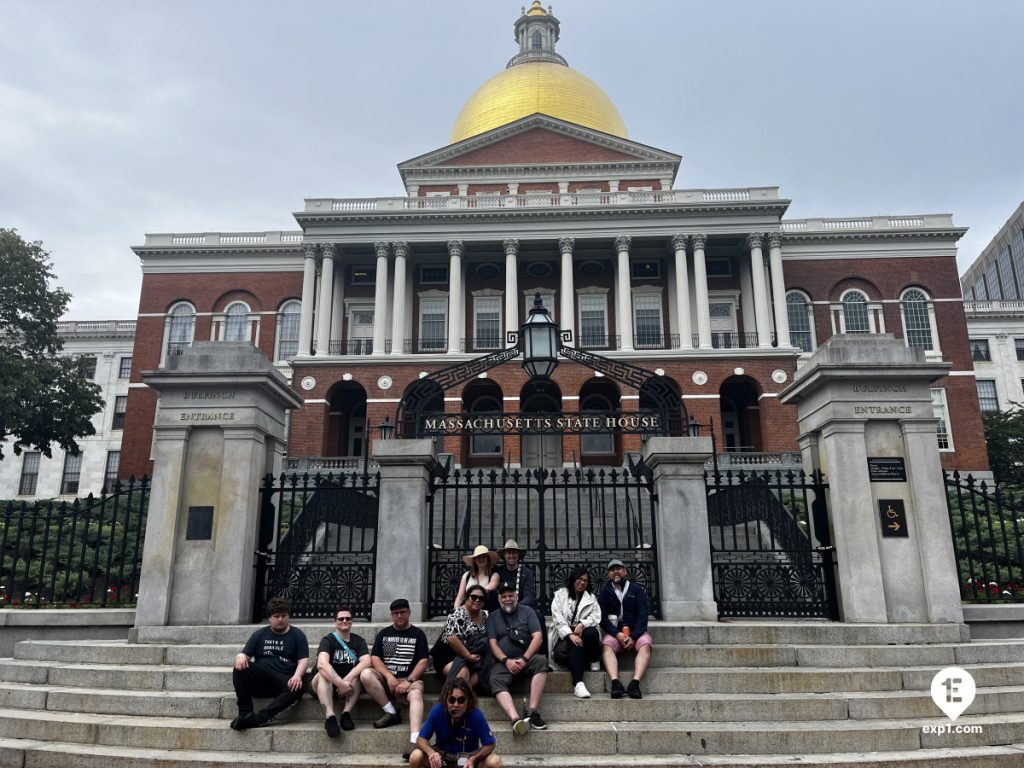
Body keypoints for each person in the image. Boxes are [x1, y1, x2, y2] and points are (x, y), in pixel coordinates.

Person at [360, 598, 431, 758]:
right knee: (365, 674)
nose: (400, 616)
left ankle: (416, 742)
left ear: (409, 612)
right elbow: (375, 658)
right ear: (392, 615)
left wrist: (408, 681)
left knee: (416, 695)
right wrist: (389, 677)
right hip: (388, 680)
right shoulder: (384, 634)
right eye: (396, 613)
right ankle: (391, 712)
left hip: (410, 680)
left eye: (403, 612)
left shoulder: (418, 634)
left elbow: (423, 662)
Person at [229, 597, 309, 730]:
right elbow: (245, 654)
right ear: (270, 618)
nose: (280, 619)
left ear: (288, 616)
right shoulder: (260, 634)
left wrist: (297, 676)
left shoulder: (297, 635)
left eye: (283, 616)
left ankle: (260, 718)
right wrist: (240, 657)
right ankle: (245, 713)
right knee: (240, 669)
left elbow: (303, 660)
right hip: (261, 679)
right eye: (276, 616)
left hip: (284, 680)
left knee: (298, 687)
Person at [486, 581, 548, 736]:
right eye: (504, 596)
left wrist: (525, 659)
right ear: (499, 599)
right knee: (494, 679)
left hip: (525, 660)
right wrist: (506, 661)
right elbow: (492, 644)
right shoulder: (493, 617)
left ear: (516, 597)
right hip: (504, 663)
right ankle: (515, 719)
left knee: (541, 661)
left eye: (510, 595)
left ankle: (531, 712)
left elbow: (538, 637)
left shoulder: (527, 611)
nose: (508, 599)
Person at [408, 677, 502, 768]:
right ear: (446, 700)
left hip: (468, 757)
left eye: (461, 700)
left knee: (495, 761)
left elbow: (490, 744)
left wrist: (474, 759)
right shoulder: (437, 711)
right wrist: (431, 753)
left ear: (468, 700)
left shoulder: (475, 715)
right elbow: (420, 739)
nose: (456, 705)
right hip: (442, 756)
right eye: (452, 700)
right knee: (415, 756)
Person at [597, 559, 653, 699]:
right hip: (616, 634)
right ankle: (615, 683)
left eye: (619, 568)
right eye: (612, 569)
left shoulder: (636, 590)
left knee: (646, 644)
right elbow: (602, 618)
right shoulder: (604, 592)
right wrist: (617, 634)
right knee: (606, 645)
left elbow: (643, 616)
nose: (615, 571)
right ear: (609, 574)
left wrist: (634, 636)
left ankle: (635, 683)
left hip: (635, 633)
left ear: (625, 571)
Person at [311, 606, 371, 737]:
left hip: (348, 685)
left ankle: (346, 713)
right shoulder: (328, 640)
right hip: (324, 685)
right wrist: (340, 683)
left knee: (358, 674)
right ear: (335, 621)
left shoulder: (358, 641)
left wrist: (347, 679)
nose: (344, 620)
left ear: (351, 621)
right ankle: (330, 716)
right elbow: (321, 664)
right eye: (341, 618)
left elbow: (367, 661)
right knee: (324, 674)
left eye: (347, 618)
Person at [550, 566, 602, 698]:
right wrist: (570, 634)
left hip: (583, 633)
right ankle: (578, 683)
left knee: (591, 633)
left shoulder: (591, 598)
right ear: (573, 580)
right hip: (564, 634)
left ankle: (593, 659)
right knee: (576, 642)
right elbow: (558, 619)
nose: (582, 582)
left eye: (585, 580)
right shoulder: (560, 596)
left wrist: (582, 624)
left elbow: (596, 617)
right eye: (579, 579)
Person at [493, 539, 548, 657]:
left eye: (514, 553)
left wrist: (515, 608)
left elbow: (529, 597)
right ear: (504, 555)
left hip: (522, 607)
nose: (511, 556)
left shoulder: (526, 572)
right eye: (508, 553)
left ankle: (544, 656)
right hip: (503, 607)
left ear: (518, 555)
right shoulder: (498, 571)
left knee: (539, 617)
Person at [433, 583, 489, 688]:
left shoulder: (485, 615)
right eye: (473, 597)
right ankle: (456, 697)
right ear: (466, 598)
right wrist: (468, 656)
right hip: (448, 655)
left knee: (488, 667)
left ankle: (465, 693)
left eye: (481, 598)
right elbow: (452, 638)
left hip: (473, 655)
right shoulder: (457, 614)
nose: (477, 600)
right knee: (463, 673)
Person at [453, 545, 499, 610]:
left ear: (487, 559)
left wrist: (471, 596)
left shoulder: (494, 575)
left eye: (484, 557)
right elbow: (460, 597)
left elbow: (490, 587)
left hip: (486, 611)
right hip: (469, 611)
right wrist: (456, 610)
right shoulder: (466, 575)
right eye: (478, 557)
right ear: (474, 560)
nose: (481, 559)